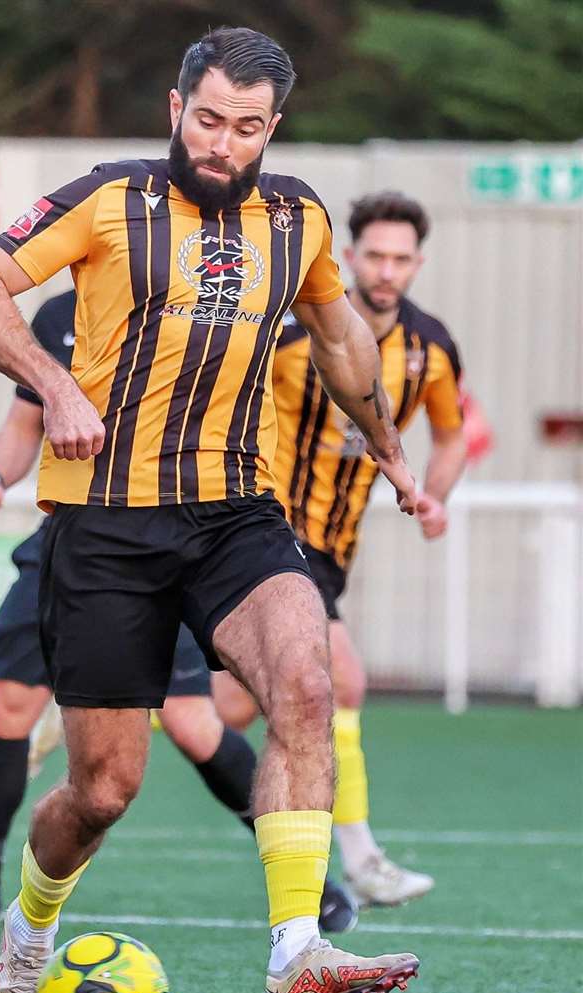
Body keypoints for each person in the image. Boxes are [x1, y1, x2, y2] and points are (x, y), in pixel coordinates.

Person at [0, 27, 423, 993]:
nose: (221, 143)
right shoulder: (104, 198)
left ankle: (296, 953)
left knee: (304, 679)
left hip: (233, 512)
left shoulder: (296, 219)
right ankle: (24, 944)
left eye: (245, 128)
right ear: (175, 109)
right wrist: (50, 385)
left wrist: (382, 441)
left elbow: (337, 333)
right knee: (103, 790)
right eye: (207, 120)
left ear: (271, 129)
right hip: (105, 527)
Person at [0, 290, 357, 935]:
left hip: (170, 542)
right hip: (68, 540)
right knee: (9, 707)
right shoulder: (59, 315)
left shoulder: (200, 301)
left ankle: (305, 884)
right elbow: (24, 421)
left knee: (193, 724)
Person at [213, 191, 469, 908]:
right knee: (342, 682)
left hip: (335, 549)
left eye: (400, 258)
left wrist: (434, 495)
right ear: (350, 257)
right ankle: (360, 860)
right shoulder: (295, 334)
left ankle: (117, 699)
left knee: (223, 708)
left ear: (418, 263)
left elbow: (450, 437)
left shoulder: (431, 349)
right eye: (374, 256)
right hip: (268, 533)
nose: (386, 271)